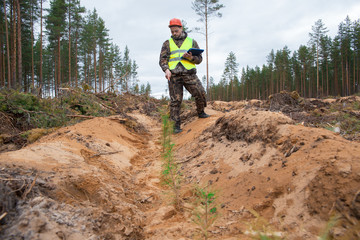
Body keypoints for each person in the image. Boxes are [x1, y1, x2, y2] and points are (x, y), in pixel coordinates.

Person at [159, 18, 209, 134]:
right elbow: (162, 60)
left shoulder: (192, 42)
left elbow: (199, 59)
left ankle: (201, 112)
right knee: (175, 101)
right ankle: (175, 126)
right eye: (172, 32)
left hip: (189, 74)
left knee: (200, 93)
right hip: (174, 76)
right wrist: (166, 70)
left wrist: (191, 58)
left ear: (181, 28)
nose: (174, 33)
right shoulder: (167, 44)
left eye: (176, 31)